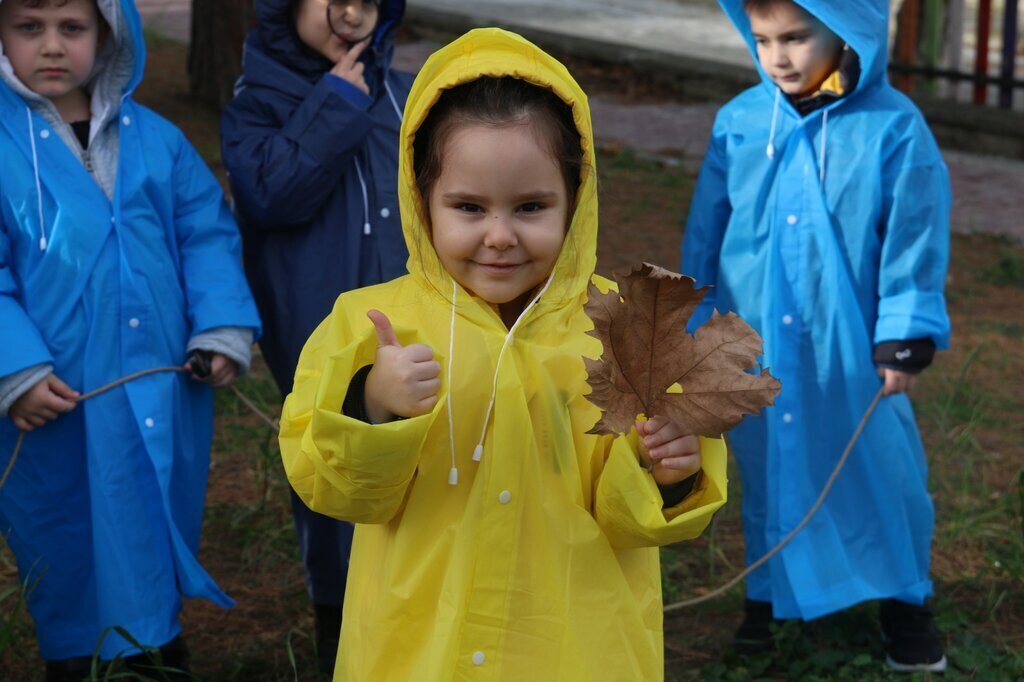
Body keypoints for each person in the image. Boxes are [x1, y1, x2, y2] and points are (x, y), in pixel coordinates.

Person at [278, 27, 729, 681]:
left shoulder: (628, 332)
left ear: (576, 200)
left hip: (576, 649)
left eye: (530, 207)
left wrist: (671, 474)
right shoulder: (374, 325)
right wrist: (372, 404)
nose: (499, 236)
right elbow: (330, 485)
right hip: (421, 651)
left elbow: (648, 519)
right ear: (420, 200)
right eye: (467, 206)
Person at [680, 0, 950, 672]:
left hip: (849, 345)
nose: (779, 55)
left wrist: (905, 331)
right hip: (757, 341)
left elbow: (913, 236)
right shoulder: (742, 122)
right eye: (764, 38)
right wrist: (691, 320)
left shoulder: (894, 129)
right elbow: (706, 231)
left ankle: (906, 602)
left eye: (798, 36)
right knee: (770, 464)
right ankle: (766, 598)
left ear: (848, 29)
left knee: (883, 465)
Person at [0, 0, 261, 678]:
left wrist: (219, 325)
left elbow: (204, 232)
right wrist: (15, 369)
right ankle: (77, 656)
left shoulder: (158, 141)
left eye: (73, 28)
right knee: (66, 526)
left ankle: (156, 645)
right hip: (56, 394)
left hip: (155, 378)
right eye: (30, 28)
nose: (51, 46)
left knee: (147, 507)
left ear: (109, 35)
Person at [219, 1, 413, 670]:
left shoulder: (404, 92)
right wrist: (333, 102)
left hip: (411, 327)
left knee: (418, 467)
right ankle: (338, 627)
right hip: (315, 331)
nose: (352, 12)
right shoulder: (257, 101)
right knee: (336, 475)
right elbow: (271, 192)